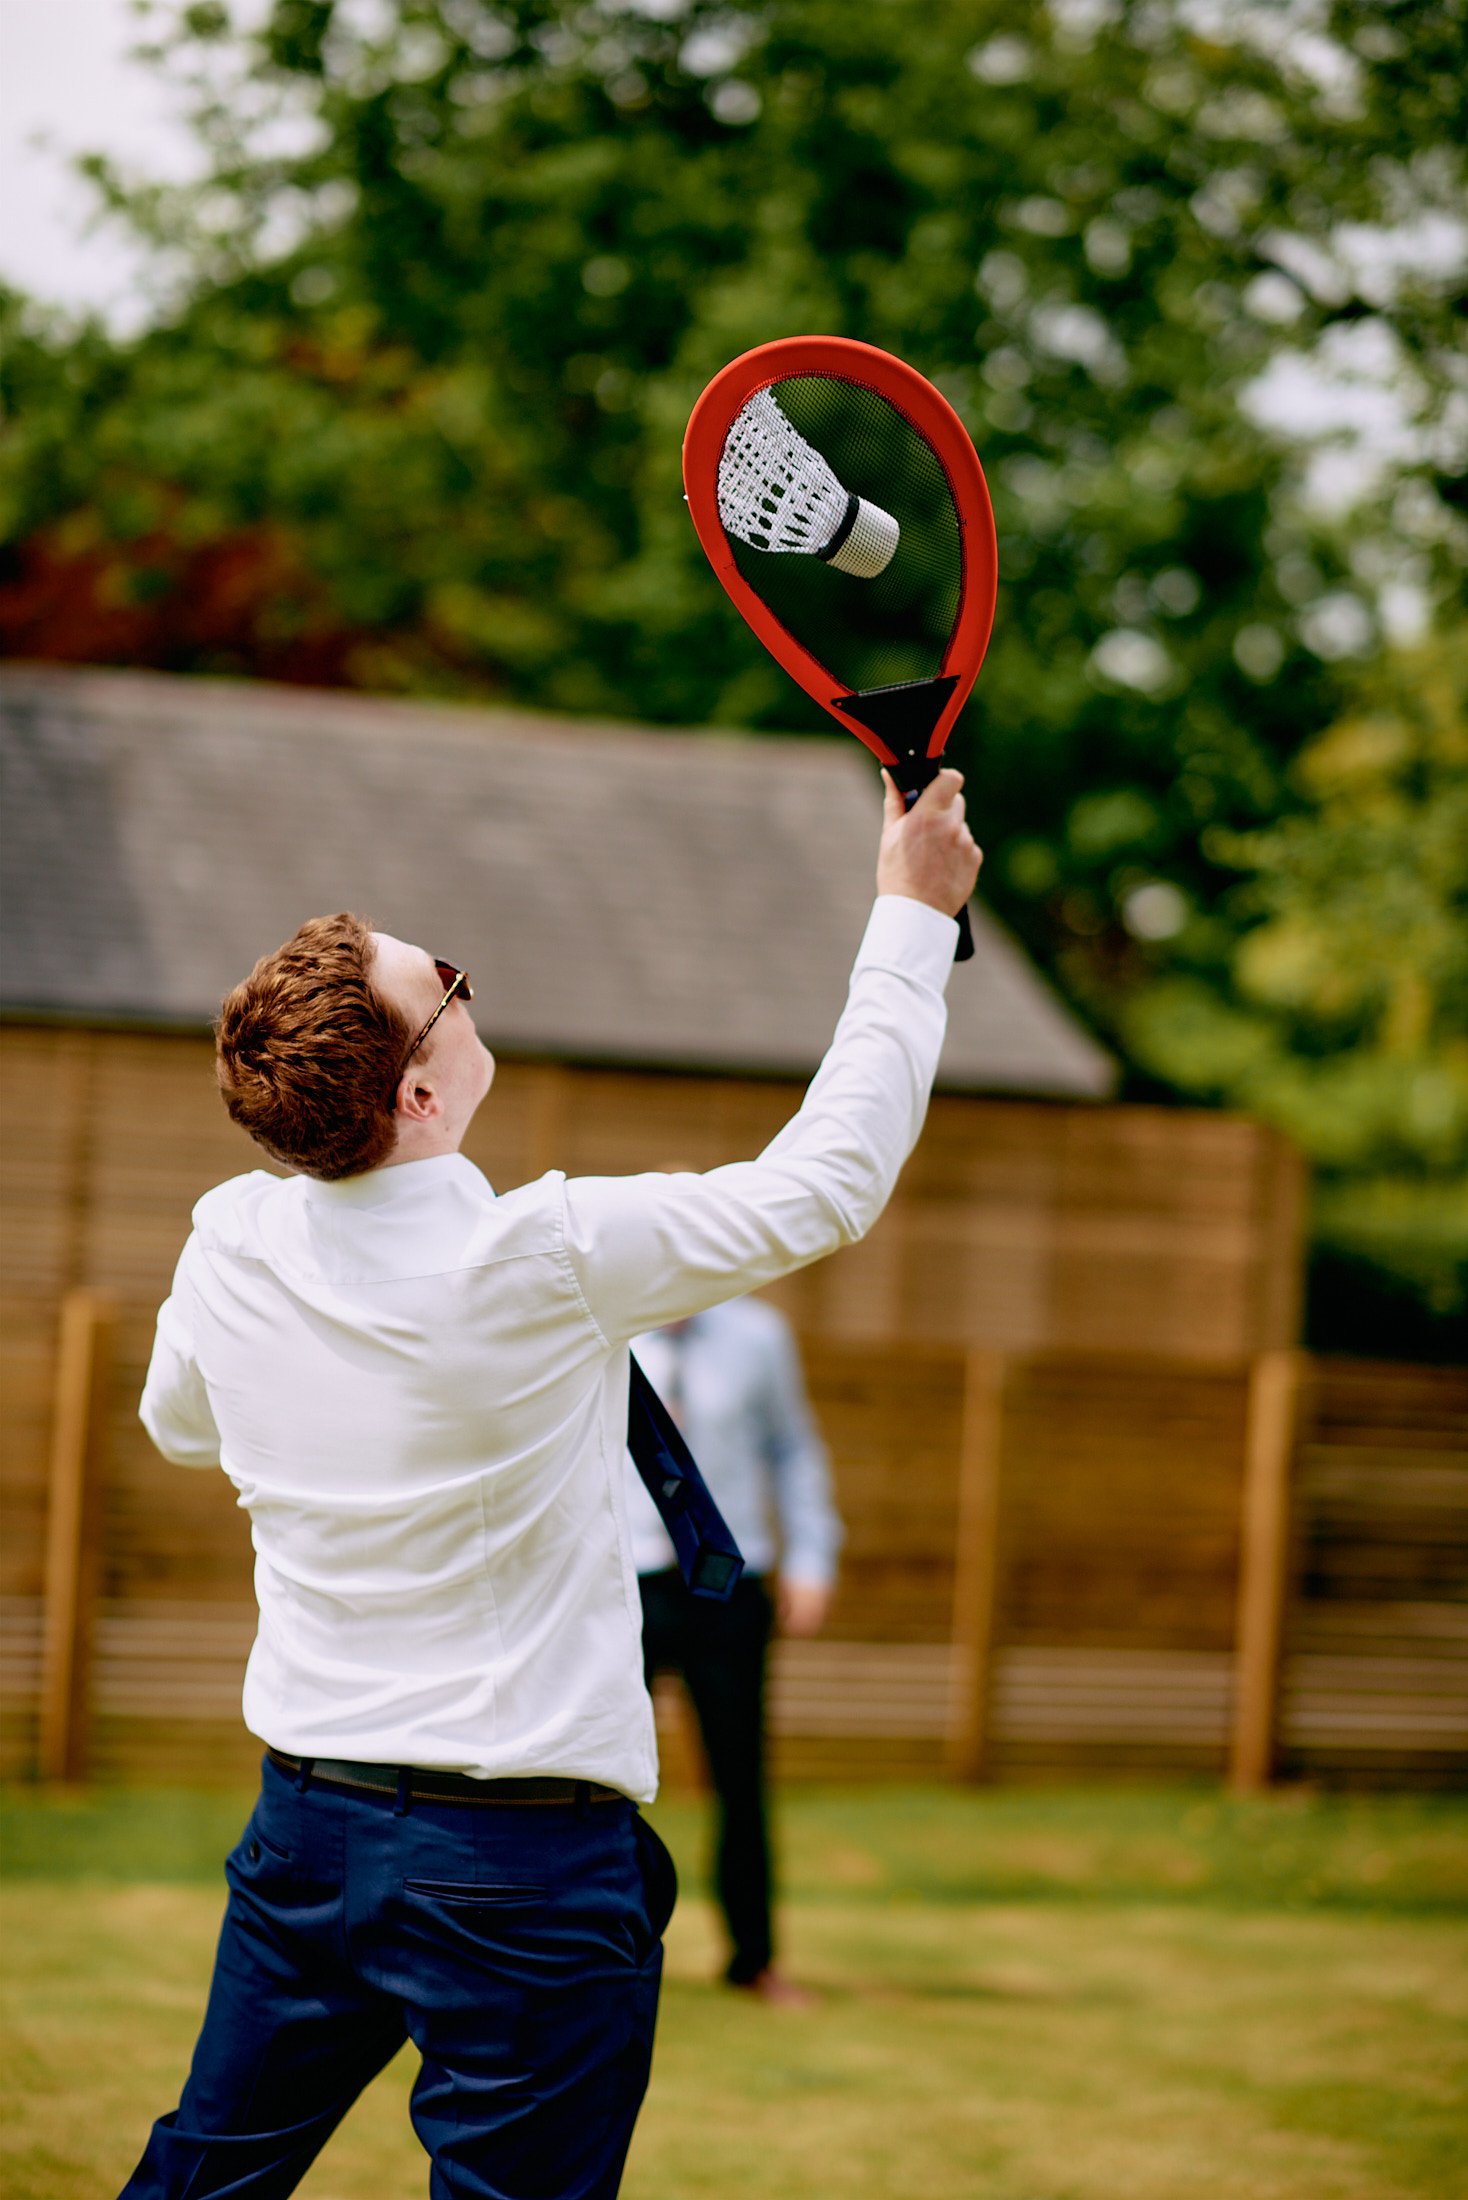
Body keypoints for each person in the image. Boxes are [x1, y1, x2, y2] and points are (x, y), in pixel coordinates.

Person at [121, 767, 980, 2199]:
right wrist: (908, 915)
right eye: (446, 986)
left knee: (201, 2182)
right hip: (515, 1867)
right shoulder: (545, 1257)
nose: (467, 991)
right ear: (417, 1089)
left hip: (307, 1837)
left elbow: (182, 1430)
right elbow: (828, 1182)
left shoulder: (230, 1241)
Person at [629, 1299, 839, 2005]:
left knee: (740, 1777)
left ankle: (754, 1959)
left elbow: (793, 1446)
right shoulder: (605, 1319)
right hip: (620, 1582)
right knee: (591, 1775)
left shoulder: (758, 1335)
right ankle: (576, 1954)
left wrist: (812, 1558)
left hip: (726, 1582)